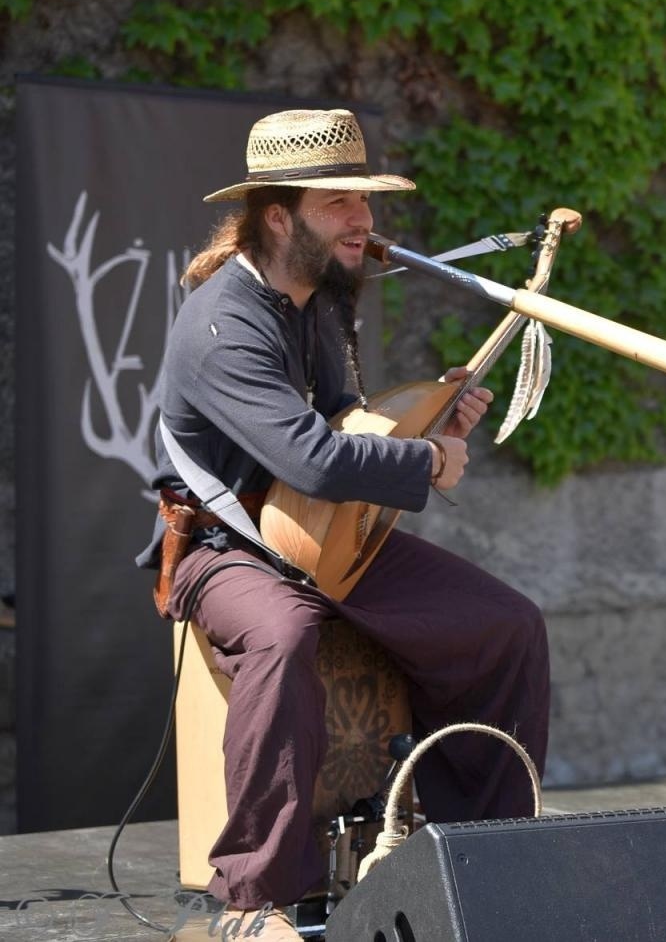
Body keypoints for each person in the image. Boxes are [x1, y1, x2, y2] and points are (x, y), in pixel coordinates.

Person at [138, 108, 551, 935]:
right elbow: (314, 460)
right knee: (283, 632)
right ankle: (252, 901)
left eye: (364, 199)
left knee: (507, 625)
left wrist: (434, 421)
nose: (364, 218)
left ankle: (485, 859)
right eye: (339, 203)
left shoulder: (317, 303)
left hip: (323, 536)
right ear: (278, 216)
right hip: (221, 549)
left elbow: (342, 422)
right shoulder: (221, 325)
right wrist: (424, 463)